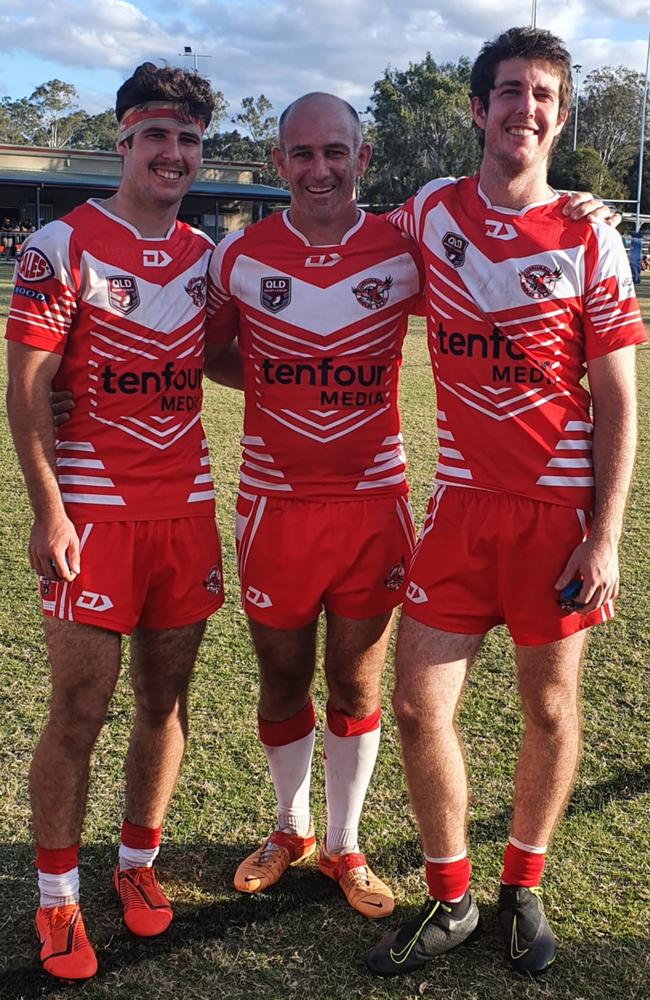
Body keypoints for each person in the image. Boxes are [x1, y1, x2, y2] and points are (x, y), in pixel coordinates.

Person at [366, 26, 646, 978]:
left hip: (557, 521)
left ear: (559, 118)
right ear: (479, 108)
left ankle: (523, 882)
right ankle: (451, 896)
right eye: (510, 90)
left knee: (551, 709)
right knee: (414, 706)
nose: (525, 107)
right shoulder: (427, 212)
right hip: (459, 509)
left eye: (543, 95)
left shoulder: (588, 232)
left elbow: (618, 402)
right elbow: (333, 269)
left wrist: (603, 537)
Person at [5, 63, 222, 981]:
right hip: (93, 513)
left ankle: (136, 866)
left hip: (188, 511)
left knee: (162, 704)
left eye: (188, 140)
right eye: (157, 136)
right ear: (125, 140)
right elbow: (26, 388)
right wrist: (47, 510)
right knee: (78, 709)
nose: (173, 154)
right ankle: (57, 900)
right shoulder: (63, 244)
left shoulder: (212, 257)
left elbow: (246, 361)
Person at [206, 92, 423, 919]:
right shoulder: (239, 256)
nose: (320, 168)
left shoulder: (406, 248)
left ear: (362, 159)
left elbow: (494, 287)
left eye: (336, 151)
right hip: (275, 505)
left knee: (356, 681)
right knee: (283, 675)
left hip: (374, 504)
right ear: (279, 164)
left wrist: (572, 202)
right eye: (302, 153)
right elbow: (204, 351)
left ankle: (343, 843)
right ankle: (289, 827)